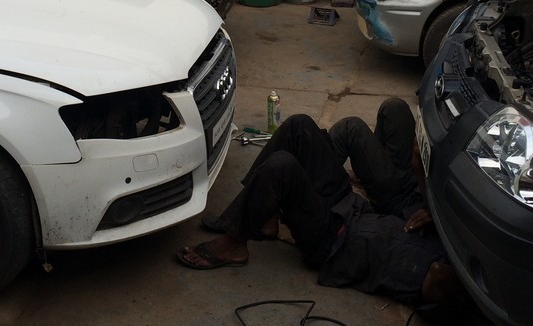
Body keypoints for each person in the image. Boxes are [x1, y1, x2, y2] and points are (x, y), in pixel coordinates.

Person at [176, 98, 465, 310]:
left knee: (282, 166)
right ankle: (257, 217)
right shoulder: (447, 235)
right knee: (299, 125)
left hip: (333, 242)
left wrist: (421, 172)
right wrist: (439, 214)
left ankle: (235, 243)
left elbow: (441, 284)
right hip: (349, 206)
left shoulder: (440, 275)